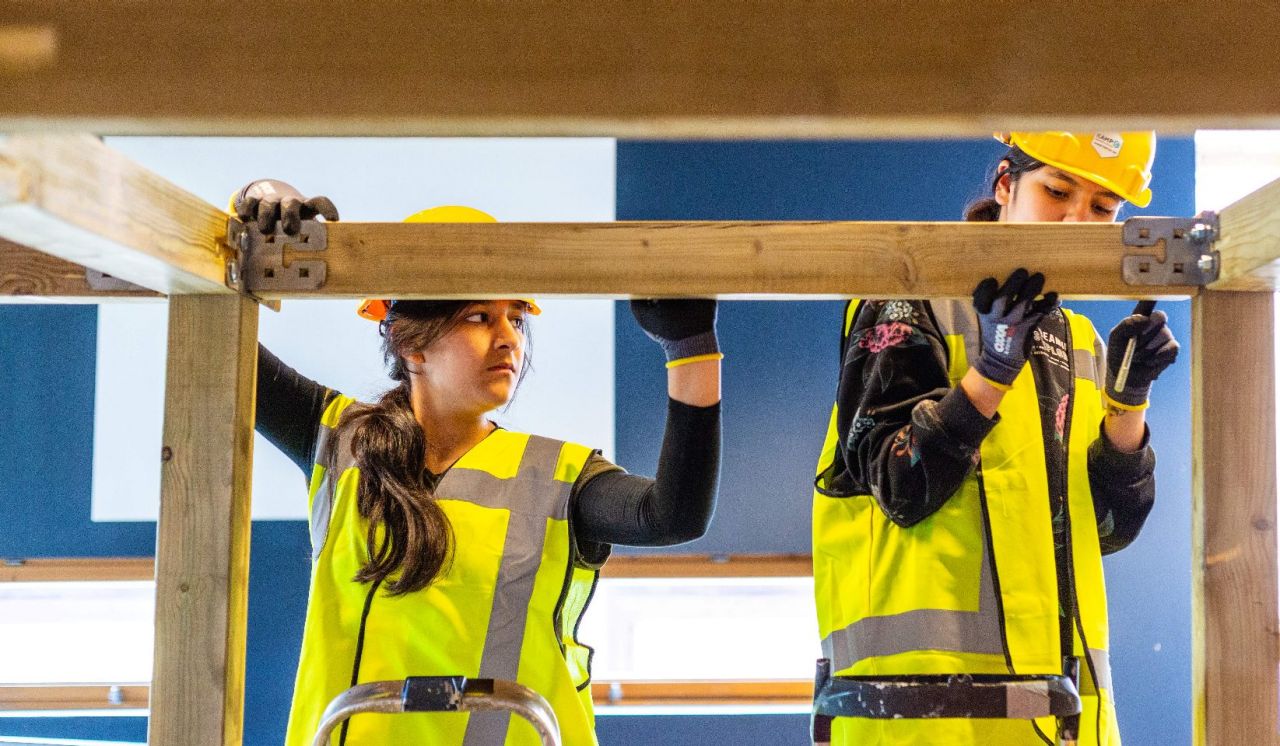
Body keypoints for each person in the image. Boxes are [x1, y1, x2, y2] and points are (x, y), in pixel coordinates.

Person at [235, 182, 723, 745]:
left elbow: (674, 515)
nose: (508, 340)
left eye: (516, 318)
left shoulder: (557, 476)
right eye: (478, 318)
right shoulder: (344, 444)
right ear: (410, 342)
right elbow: (224, 347)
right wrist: (258, 204)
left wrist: (692, 349)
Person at [812, 132, 1179, 745]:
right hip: (924, 718)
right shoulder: (908, 301)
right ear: (1005, 183)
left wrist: (1128, 404)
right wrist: (992, 373)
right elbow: (901, 485)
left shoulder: (1078, 338)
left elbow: (1109, 528)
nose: (1074, 221)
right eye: (1057, 191)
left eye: (1102, 207)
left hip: (1062, 712)